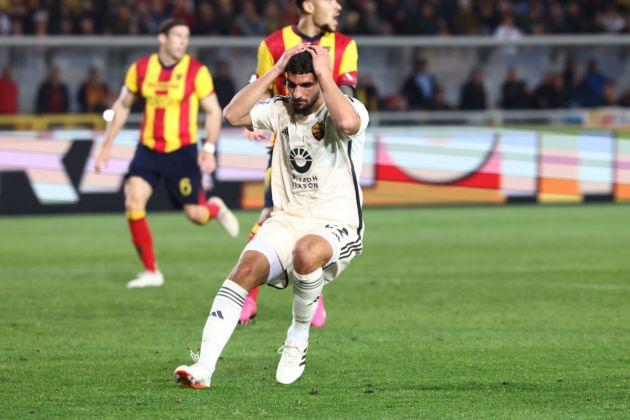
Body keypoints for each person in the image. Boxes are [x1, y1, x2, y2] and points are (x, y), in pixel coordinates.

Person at [174, 44, 369, 389]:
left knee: (307, 253)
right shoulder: (280, 109)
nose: (297, 93)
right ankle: (203, 366)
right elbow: (232, 114)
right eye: (292, 84)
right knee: (244, 270)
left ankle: (298, 338)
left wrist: (325, 76)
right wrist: (276, 69)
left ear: (321, 81)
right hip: (286, 218)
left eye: (306, 85)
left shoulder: (346, 107)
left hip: (337, 221)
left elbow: (348, 123)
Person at [94, 18, 239, 288]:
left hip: (182, 151)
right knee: (133, 201)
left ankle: (214, 208)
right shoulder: (140, 69)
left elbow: (213, 111)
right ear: (162, 38)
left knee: (195, 215)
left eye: (186, 37)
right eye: (177, 36)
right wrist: (107, 144)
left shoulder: (196, 71)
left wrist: (208, 148)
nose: (183, 41)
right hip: (148, 149)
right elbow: (123, 105)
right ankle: (152, 271)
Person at [240, 0, 358, 326]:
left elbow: (346, 102)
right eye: (330, 0)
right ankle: (246, 298)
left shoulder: (345, 46)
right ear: (308, 4)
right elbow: (261, 93)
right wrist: (254, 122)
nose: (338, 6)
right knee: (270, 217)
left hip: (329, 155)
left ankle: (312, 292)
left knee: (320, 229)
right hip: (286, 155)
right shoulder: (273, 45)